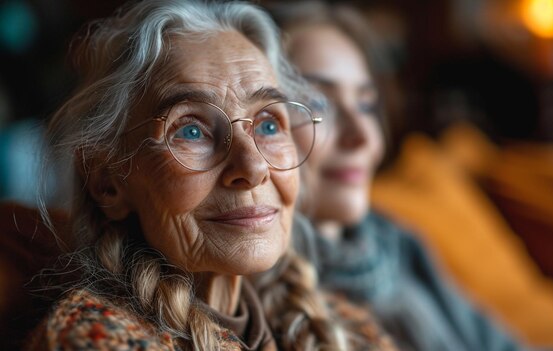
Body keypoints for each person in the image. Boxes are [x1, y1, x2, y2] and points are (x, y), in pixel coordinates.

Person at [26, 1, 396, 350]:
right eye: (190, 130)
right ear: (107, 183)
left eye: (268, 124)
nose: (253, 168)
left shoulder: (345, 328)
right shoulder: (95, 338)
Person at [268, 2, 528, 350]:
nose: (362, 136)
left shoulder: (394, 242)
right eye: (318, 105)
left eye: (366, 104)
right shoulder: (263, 299)